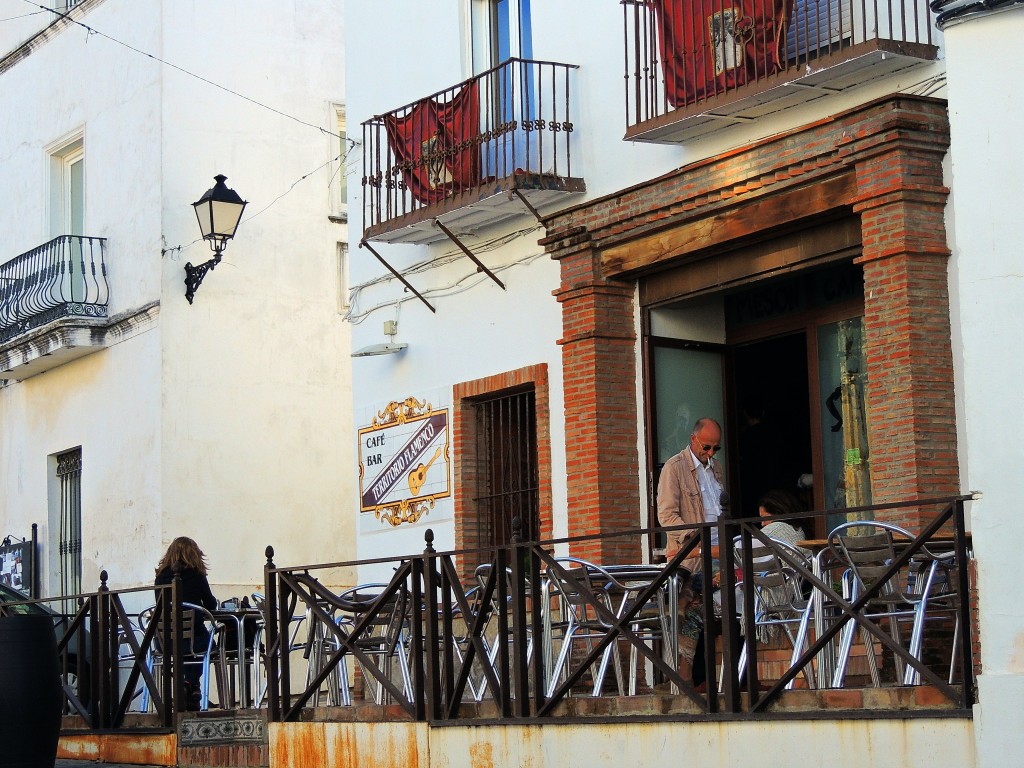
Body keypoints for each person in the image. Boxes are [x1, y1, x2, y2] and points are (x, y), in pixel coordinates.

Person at [657, 416, 724, 687]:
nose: (710, 454)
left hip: (719, 553)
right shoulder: (674, 468)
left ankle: (722, 678)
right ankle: (688, 677)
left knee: (725, 603)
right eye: (706, 447)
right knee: (695, 605)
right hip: (693, 554)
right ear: (693, 439)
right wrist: (697, 537)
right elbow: (667, 516)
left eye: (715, 449)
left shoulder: (716, 468)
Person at [154, 536, 218, 710]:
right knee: (205, 645)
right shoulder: (197, 575)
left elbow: (161, 607)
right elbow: (211, 605)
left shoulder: (159, 578)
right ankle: (190, 684)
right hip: (193, 641)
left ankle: (189, 687)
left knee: (185, 646)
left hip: (164, 643)